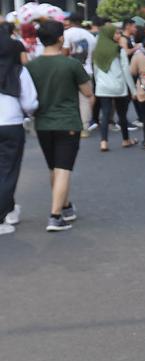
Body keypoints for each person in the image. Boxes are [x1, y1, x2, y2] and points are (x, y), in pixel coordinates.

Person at [26, 20, 93, 232]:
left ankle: (64, 206)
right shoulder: (71, 64)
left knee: (53, 167)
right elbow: (88, 92)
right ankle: (55, 216)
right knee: (63, 169)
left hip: (42, 123)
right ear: (61, 38)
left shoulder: (31, 65)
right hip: (67, 121)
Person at [0, 65, 38, 235]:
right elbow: (30, 103)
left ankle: (10, 207)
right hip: (11, 122)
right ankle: (3, 214)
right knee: (8, 171)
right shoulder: (17, 70)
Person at [91, 24, 136, 151]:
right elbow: (126, 71)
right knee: (122, 114)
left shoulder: (97, 51)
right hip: (118, 86)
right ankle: (125, 139)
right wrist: (133, 90)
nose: (118, 36)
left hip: (102, 87)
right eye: (116, 33)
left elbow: (95, 71)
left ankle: (103, 142)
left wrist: (97, 85)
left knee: (105, 115)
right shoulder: (118, 50)